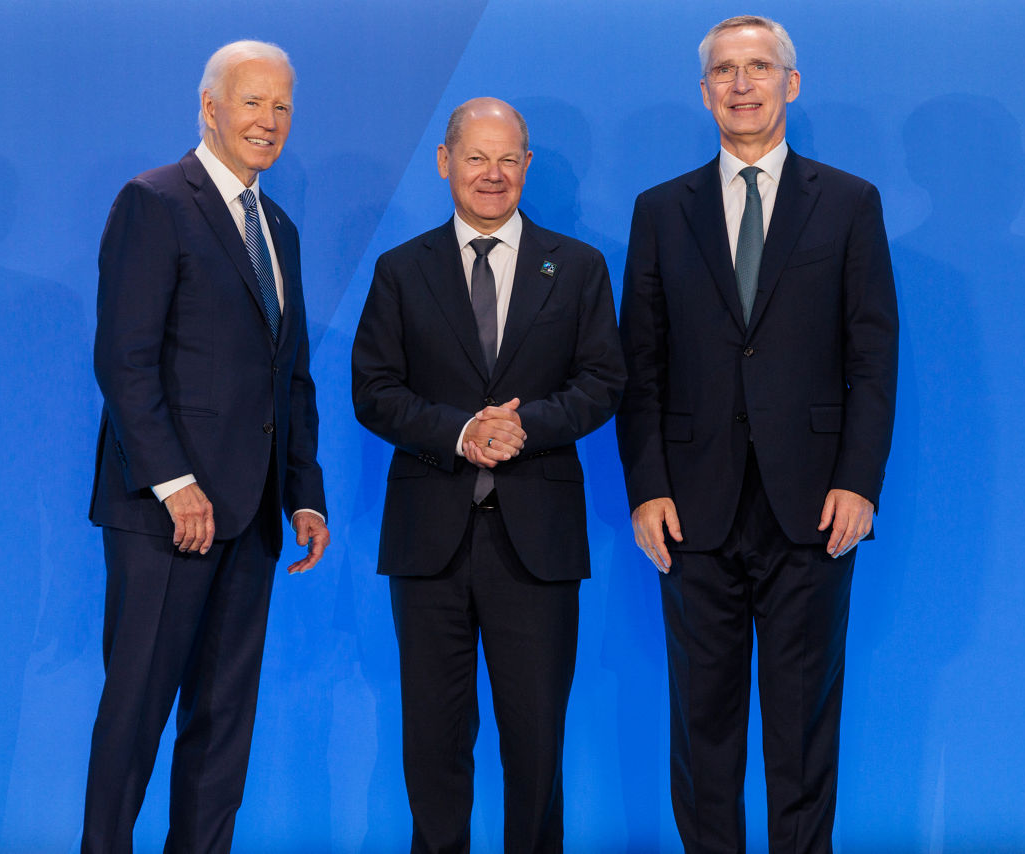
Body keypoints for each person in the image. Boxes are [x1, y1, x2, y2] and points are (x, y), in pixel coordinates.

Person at [616, 16, 898, 854]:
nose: (743, 85)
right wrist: (646, 488)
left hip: (814, 508)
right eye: (726, 72)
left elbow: (873, 359)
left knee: (803, 733)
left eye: (759, 68)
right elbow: (641, 363)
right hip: (691, 513)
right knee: (702, 730)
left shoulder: (848, 202)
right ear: (705, 93)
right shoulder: (661, 210)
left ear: (791, 84)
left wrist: (860, 481)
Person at [352, 97, 625, 854]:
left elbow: (604, 380)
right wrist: (463, 432)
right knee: (433, 742)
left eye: (509, 158)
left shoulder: (576, 267)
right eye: (476, 157)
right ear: (445, 162)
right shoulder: (401, 270)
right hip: (428, 543)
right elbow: (373, 391)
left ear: (528, 167)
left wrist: (521, 427)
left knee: (535, 741)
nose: (492, 174)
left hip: (536, 542)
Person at [83, 40, 329, 852]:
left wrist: (303, 491)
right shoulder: (154, 201)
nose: (269, 121)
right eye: (253, 102)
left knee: (223, 728)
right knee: (136, 718)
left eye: (282, 106)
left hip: (252, 517)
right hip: (166, 519)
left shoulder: (279, 227)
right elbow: (124, 359)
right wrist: (172, 482)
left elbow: (286, 372)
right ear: (210, 107)